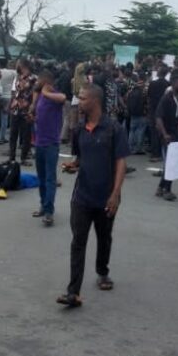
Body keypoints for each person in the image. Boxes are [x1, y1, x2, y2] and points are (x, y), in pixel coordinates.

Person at [56, 85, 129, 308]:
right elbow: (80, 157)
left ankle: (102, 272)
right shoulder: (79, 130)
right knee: (78, 241)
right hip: (82, 197)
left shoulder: (113, 129)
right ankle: (73, 292)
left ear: (95, 101)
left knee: (104, 237)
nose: (79, 101)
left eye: (83, 98)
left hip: (106, 196)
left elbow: (120, 163)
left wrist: (116, 194)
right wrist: (73, 165)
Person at [32, 69, 66, 226]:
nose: (36, 83)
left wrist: (46, 93)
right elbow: (40, 116)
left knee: (50, 178)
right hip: (39, 142)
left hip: (51, 144)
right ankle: (43, 205)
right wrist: (33, 118)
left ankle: (49, 212)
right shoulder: (40, 97)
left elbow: (63, 98)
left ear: (45, 81)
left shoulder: (54, 96)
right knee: (41, 178)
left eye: (39, 80)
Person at [8, 59, 37, 164]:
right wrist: (11, 104)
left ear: (23, 65)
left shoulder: (33, 78)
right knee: (13, 134)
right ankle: (12, 157)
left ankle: (23, 157)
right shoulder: (17, 77)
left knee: (26, 135)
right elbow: (13, 92)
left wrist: (33, 108)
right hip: (16, 108)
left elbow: (35, 94)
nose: (16, 65)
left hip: (26, 109)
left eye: (18, 64)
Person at [147, 65, 171, 162]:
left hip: (153, 110)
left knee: (154, 132)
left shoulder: (152, 83)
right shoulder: (168, 84)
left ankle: (155, 154)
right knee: (162, 132)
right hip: (164, 111)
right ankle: (162, 153)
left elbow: (148, 97)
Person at [124, 73, 148, 154]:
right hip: (141, 114)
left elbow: (127, 100)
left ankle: (130, 147)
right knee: (140, 131)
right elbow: (145, 103)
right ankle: (138, 148)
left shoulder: (131, 92)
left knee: (132, 131)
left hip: (133, 114)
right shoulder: (143, 93)